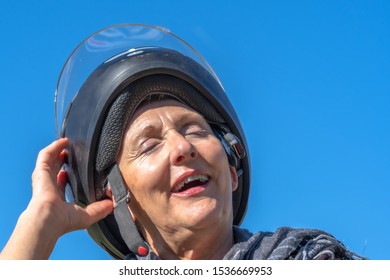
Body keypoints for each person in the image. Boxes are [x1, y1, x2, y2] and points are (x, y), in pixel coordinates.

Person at [1, 24, 364, 260]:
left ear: (232, 171)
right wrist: (40, 223)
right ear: (116, 198)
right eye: (149, 145)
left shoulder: (310, 259)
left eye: (194, 130)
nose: (182, 148)